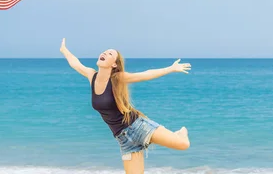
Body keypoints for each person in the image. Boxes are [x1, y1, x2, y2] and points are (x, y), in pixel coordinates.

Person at [59, 38, 191, 174]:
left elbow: (145, 75)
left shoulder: (117, 78)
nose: (104, 53)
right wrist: (64, 50)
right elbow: (75, 63)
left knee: (183, 144)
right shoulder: (92, 75)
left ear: (114, 64)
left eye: (110, 54)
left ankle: (180, 133)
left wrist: (170, 69)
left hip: (139, 127)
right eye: (104, 52)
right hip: (124, 140)